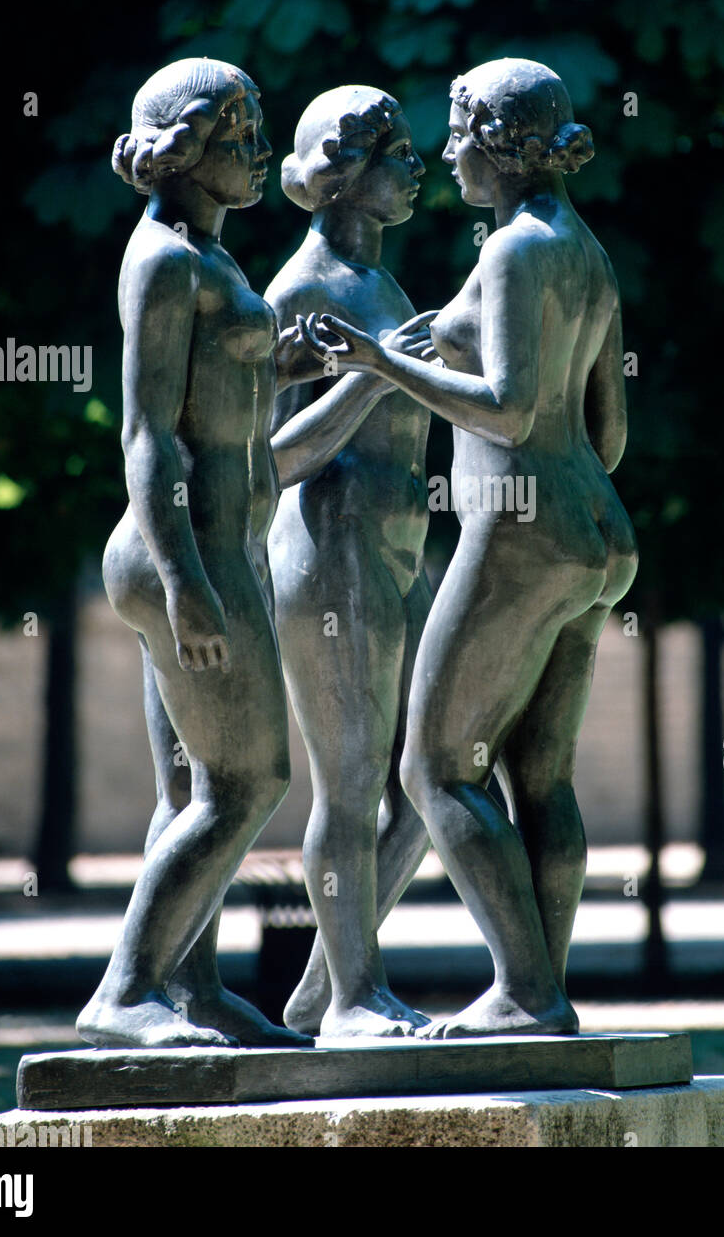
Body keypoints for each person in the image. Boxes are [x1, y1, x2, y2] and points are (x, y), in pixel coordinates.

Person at [306, 59, 638, 1037]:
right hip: (598, 532)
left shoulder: (512, 254)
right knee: (539, 774)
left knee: (435, 768)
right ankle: (544, 992)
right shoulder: (582, 248)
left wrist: (376, 364)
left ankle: (526, 994)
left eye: (456, 134)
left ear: (495, 143)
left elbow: (508, 407)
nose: (445, 154)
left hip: (523, 537)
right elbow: (606, 431)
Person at [78, 57, 311, 1048]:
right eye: (239, 135)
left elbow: (224, 403)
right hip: (187, 558)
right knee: (249, 781)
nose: (260, 151)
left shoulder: (204, 257)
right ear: (183, 151)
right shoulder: (167, 261)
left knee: (187, 792)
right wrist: (186, 584)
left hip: (211, 554)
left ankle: (196, 991)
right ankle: (125, 992)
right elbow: (147, 434)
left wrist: (309, 358)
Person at [267, 87, 438, 1037]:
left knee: (441, 771)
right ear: (345, 170)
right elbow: (275, 459)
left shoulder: (388, 290)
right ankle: (352, 999)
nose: (416, 168)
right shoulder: (298, 291)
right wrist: (374, 374)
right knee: (352, 779)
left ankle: (325, 983)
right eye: (396, 153)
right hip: (329, 554)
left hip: (397, 551)